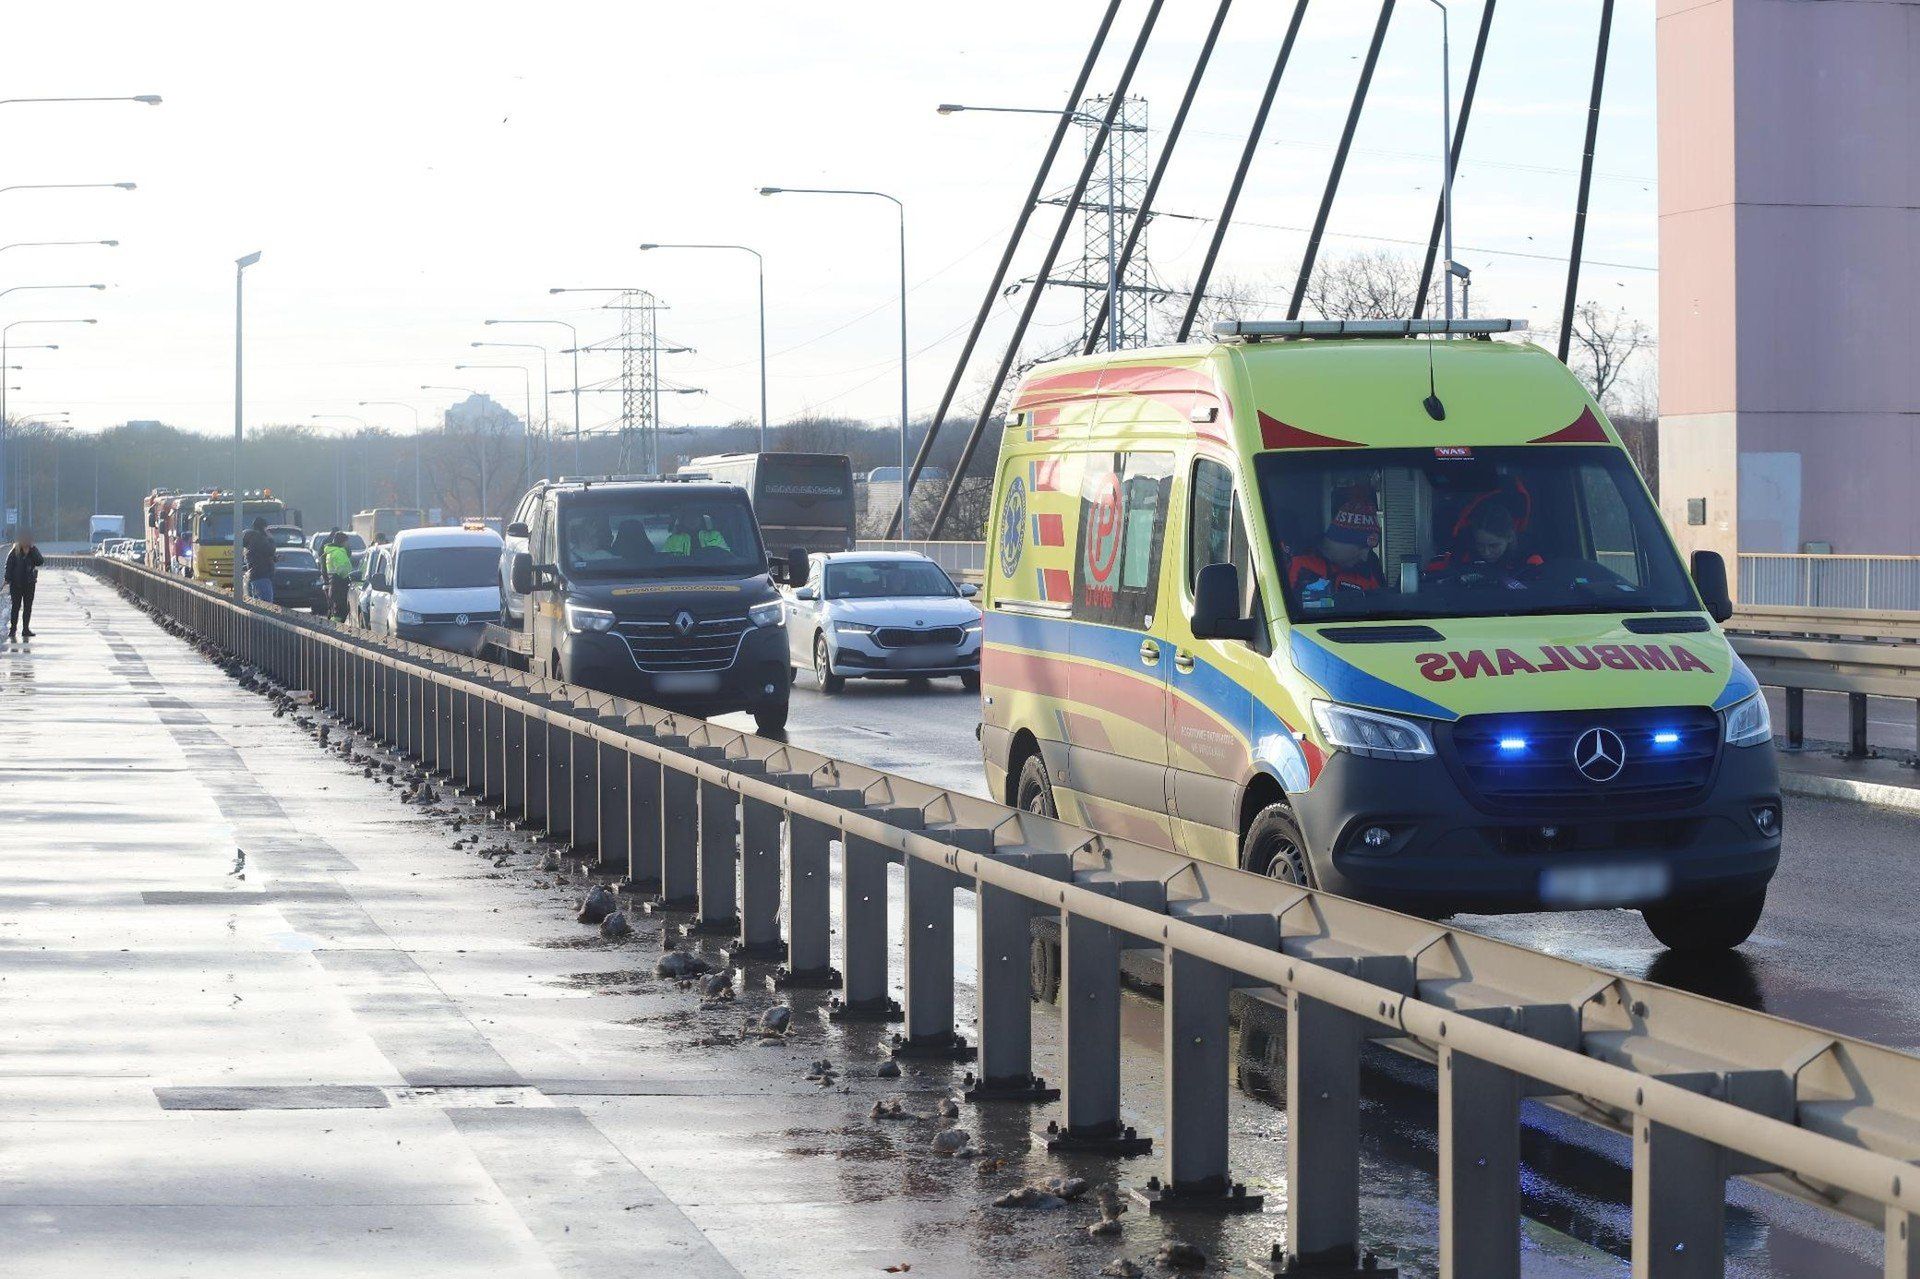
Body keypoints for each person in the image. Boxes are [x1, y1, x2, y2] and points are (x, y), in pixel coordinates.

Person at [1424, 487, 1544, 588]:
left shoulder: (1530, 562)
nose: (1486, 552)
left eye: (1494, 546)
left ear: (1510, 538)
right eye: (1480, 545)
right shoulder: (1462, 557)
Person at [1287, 490, 1382, 608]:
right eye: (1361, 548)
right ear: (1340, 540)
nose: (1365, 557)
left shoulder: (1369, 568)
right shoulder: (1296, 563)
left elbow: (1379, 608)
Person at [5, 529, 45, 641]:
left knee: (28, 607)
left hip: (29, 584)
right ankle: (13, 629)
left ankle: (25, 629)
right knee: (15, 607)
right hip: (16, 584)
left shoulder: (33, 552)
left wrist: (33, 549)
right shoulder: (14, 552)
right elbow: (8, 566)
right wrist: (7, 578)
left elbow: (40, 561)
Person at [241, 515, 277, 604]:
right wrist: (271, 539)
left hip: (255, 577)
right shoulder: (258, 539)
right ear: (262, 527)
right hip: (262, 576)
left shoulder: (251, 540)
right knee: (267, 605)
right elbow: (270, 550)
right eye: (266, 528)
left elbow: (260, 556)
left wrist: (274, 559)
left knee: (257, 605)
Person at [320, 529, 354, 621]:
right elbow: (343, 569)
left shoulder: (331, 552)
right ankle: (336, 630)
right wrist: (350, 577)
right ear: (343, 542)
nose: (348, 544)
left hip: (334, 585)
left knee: (335, 610)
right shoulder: (338, 552)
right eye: (347, 541)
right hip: (340, 585)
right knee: (340, 611)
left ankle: (333, 627)